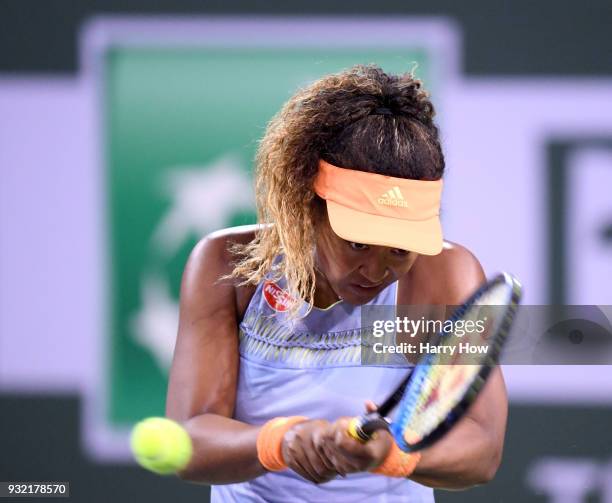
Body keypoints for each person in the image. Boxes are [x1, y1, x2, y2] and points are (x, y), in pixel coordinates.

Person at [166, 65, 508, 502]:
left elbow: (482, 449)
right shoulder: (227, 266)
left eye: (399, 250)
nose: (376, 271)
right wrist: (282, 442)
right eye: (358, 244)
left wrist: (393, 454)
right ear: (308, 202)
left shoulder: (444, 275)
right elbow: (188, 438)